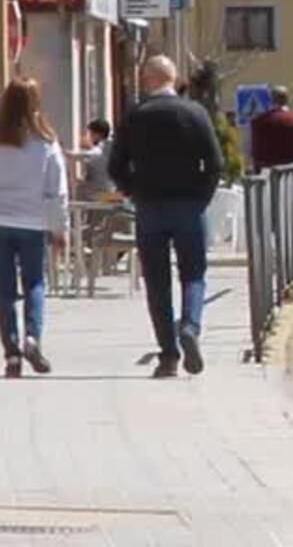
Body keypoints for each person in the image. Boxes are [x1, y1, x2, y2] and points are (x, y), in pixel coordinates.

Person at [107, 55, 223, 378]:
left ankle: (168, 355)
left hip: (150, 207)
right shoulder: (195, 113)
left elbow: (116, 166)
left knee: (157, 281)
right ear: (175, 79)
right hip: (189, 205)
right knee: (194, 273)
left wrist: (133, 190)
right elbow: (215, 163)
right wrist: (201, 197)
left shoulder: (136, 116)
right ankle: (190, 325)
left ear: (147, 80)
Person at [0, 78, 69, 378]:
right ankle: (32, 337)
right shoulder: (47, 141)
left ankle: (11, 355)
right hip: (33, 221)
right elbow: (57, 191)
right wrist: (60, 229)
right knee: (34, 282)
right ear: (36, 102)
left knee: (4, 288)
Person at [248, 86, 293, 171]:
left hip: (265, 173)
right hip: (292, 173)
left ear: (271, 100)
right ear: (287, 100)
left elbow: (249, 148)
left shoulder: (257, 122)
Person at [69, 118, 117, 202]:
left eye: (90, 134)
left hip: (102, 194)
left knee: (79, 190)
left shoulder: (100, 149)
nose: (89, 137)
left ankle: (77, 215)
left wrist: (62, 151)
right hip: (113, 192)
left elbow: (82, 156)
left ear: (98, 134)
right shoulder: (113, 146)